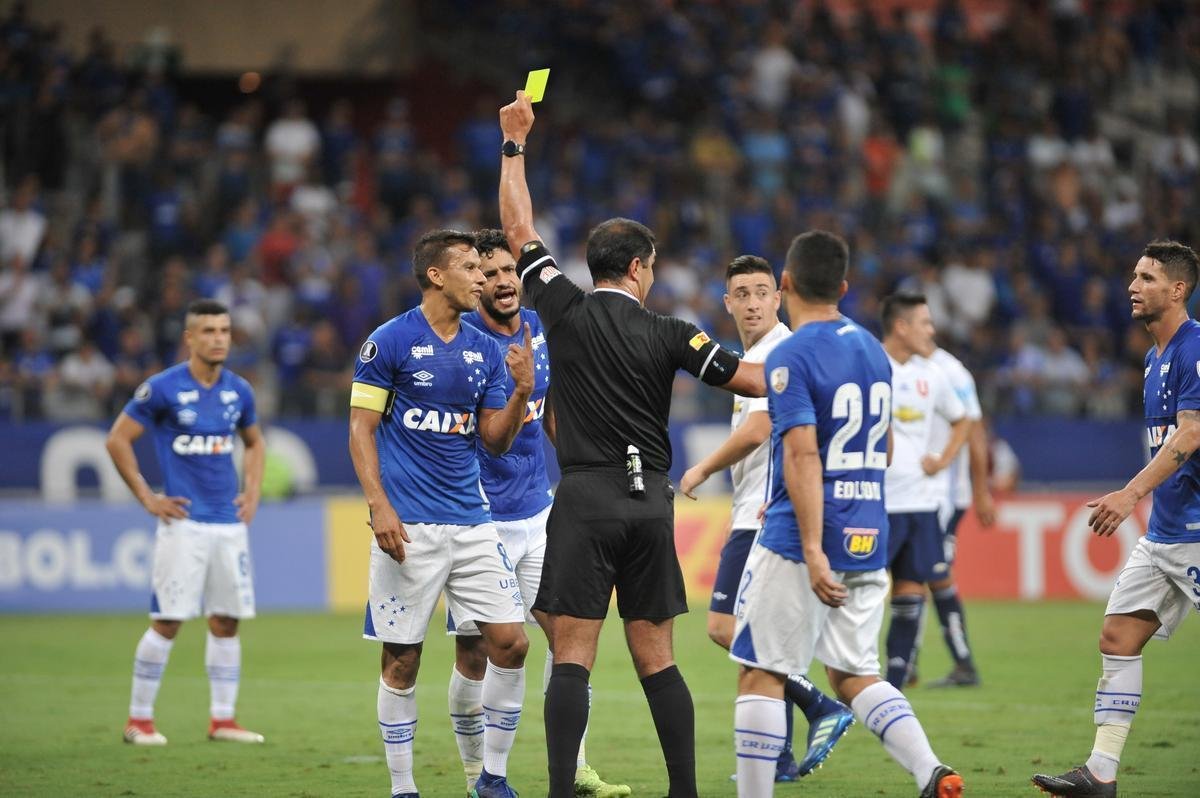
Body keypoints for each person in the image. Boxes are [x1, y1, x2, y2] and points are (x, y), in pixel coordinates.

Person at [498, 91, 766, 798]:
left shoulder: (563, 307)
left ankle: (561, 790)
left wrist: (515, 143)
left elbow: (517, 223)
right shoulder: (676, 332)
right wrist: (825, 361)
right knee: (658, 659)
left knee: (572, 658)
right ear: (642, 267)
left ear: (596, 266)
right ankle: (684, 791)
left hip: (584, 498)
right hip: (650, 503)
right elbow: (751, 377)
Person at [730, 231, 964, 798]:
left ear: (784, 285)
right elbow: (882, 450)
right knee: (854, 673)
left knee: (760, 671)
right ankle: (931, 771)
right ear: (843, 286)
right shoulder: (871, 349)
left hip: (802, 535)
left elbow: (803, 453)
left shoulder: (790, 354)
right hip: (869, 529)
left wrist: (811, 548)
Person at [348, 229, 534, 798]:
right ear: (437, 275)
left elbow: (494, 443)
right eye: (472, 268)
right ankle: (404, 788)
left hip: (474, 521)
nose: (484, 278)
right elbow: (361, 428)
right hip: (410, 526)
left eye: (486, 269)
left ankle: (492, 779)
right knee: (402, 661)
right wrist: (379, 505)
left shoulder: (483, 350)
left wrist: (522, 392)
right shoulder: (390, 342)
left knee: (512, 643)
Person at [446, 228, 630, 798]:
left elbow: (551, 417)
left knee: (567, 637)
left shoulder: (540, 332)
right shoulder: (461, 338)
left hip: (539, 512)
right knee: (477, 651)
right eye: (491, 273)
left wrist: (586, 472)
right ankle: (478, 774)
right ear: (474, 280)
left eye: (510, 272)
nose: (503, 282)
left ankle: (575, 769)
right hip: (477, 519)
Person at [1033, 240, 1200, 798]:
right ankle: (1100, 772)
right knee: (1117, 636)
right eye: (1134, 275)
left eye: (1148, 277)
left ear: (1177, 290)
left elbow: (1193, 434)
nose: (1134, 285)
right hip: (1166, 537)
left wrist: (1130, 494)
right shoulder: (1154, 360)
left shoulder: (1195, 347)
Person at [679, 254, 853, 780]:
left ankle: (819, 704)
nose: (753, 303)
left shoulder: (779, 352)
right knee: (757, 637)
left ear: (779, 297)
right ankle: (778, 758)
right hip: (757, 512)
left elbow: (757, 432)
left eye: (762, 292)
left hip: (760, 516)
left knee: (724, 628)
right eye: (742, 294)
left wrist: (701, 469)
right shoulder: (752, 355)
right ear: (728, 302)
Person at [105, 298, 265, 747]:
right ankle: (139, 720)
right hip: (184, 524)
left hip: (228, 525)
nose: (218, 338)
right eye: (209, 331)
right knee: (169, 620)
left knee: (227, 621)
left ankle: (222, 720)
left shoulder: (239, 391)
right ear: (189, 338)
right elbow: (117, 440)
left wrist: (252, 490)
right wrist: (147, 497)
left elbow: (254, 443)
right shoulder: (162, 389)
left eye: (224, 330)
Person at [878, 294, 970, 690]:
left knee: (910, 593)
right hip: (876, 502)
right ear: (902, 326)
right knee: (859, 596)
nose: (931, 331)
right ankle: (852, 675)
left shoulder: (931, 374)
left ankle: (893, 686)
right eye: (925, 323)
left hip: (919, 502)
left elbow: (962, 420)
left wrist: (944, 459)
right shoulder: (870, 364)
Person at [919, 344, 996, 688]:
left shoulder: (951, 372)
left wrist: (980, 491)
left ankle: (963, 663)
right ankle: (908, 661)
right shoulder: (896, 365)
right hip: (911, 494)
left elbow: (975, 433)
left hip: (945, 495)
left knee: (935, 573)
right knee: (915, 573)